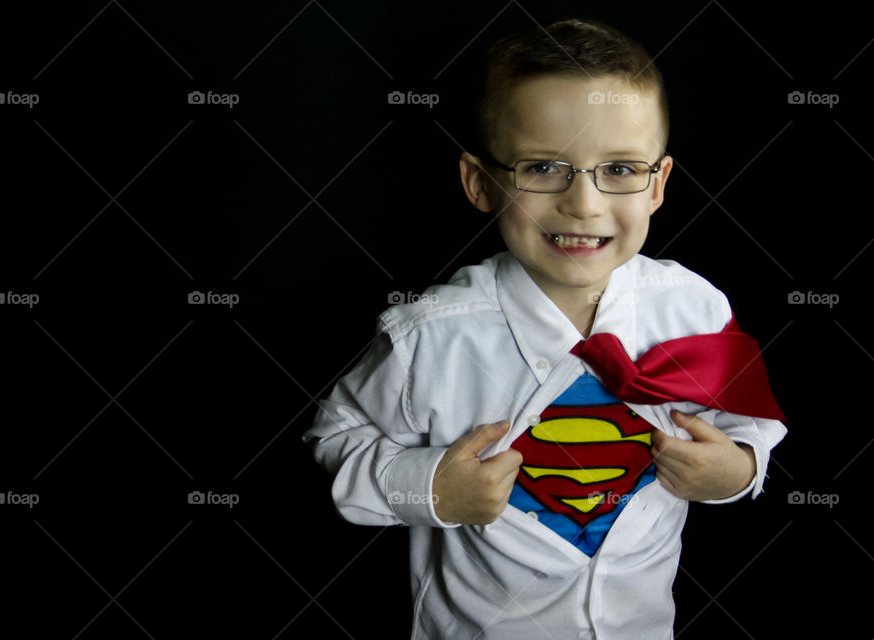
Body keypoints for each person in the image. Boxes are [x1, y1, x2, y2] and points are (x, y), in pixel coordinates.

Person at [303, 17, 787, 640]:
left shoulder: (696, 309)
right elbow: (334, 435)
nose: (583, 204)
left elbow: (752, 423)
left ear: (658, 184)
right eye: (543, 168)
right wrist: (430, 489)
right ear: (481, 182)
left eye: (618, 169)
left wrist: (739, 473)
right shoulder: (429, 335)